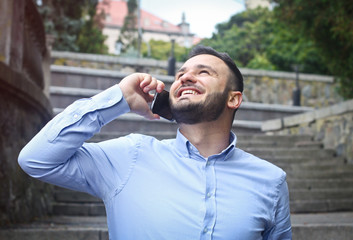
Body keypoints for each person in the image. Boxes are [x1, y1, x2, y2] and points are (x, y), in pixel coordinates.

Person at [18, 45, 292, 239]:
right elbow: (36, 159)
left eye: (204, 72)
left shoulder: (270, 180)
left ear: (234, 98)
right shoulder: (130, 156)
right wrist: (119, 99)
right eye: (181, 73)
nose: (185, 76)